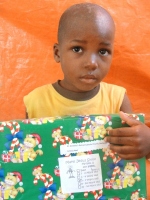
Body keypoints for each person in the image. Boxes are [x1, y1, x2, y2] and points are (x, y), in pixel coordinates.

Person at [23, 2, 150, 160]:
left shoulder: (117, 99)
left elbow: (133, 152)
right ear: (57, 53)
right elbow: (29, 158)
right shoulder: (36, 102)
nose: (92, 63)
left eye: (103, 51)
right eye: (77, 49)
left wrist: (147, 144)